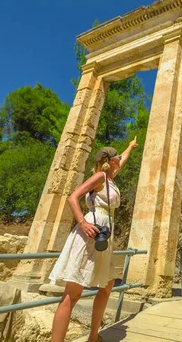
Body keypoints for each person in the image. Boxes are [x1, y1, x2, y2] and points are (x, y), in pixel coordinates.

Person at [49, 137, 139, 342]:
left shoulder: (110, 177)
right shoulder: (100, 177)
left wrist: (130, 146)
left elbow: (123, 159)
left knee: (107, 285)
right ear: (110, 160)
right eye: (116, 157)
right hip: (91, 230)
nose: (119, 159)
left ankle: (93, 337)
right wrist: (82, 222)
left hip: (105, 232)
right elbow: (72, 197)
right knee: (72, 294)